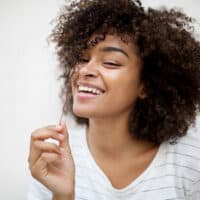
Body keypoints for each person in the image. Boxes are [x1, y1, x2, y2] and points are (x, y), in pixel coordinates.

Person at [27, 0, 200, 199]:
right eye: (82, 59)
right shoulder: (51, 158)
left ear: (146, 85)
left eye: (110, 62)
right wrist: (62, 195)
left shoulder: (191, 161)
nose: (84, 70)